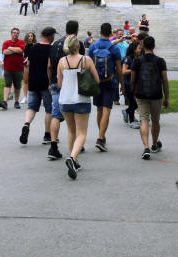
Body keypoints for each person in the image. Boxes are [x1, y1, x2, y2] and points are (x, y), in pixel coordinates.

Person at [57, 34, 100, 179]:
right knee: (82, 133)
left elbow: (59, 84)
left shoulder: (61, 61)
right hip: (81, 99)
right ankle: (72, 157)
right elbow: (97, 79)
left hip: (65, 99)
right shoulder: (86, 60)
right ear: (78, 46)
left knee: (71, 131)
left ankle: (74, 160)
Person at [47, 21, 85, 161]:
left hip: (57, 82)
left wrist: (50, 81)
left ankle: (53, 146)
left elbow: (50, 65)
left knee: (56, 115)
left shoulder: (56, 44)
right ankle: (77, 145)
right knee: (76, 116)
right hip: (74, 85)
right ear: (76, 31)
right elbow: (82, 65)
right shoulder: (78, 44)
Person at [130, 36, 168, 160]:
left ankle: (146, 147)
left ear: (143, 46)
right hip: (156, 94)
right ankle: (154, 144)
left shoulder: (137, 61)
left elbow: (133, 79)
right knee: (156, 120)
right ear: (154, 46)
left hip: (141, 94)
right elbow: (165, 80)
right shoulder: (160, 61)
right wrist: (166, 97)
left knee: (144, 120)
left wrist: (133, 91)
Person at [87, 22, 123, 152]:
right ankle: (100, 137)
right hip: (110, 82)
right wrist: (122, 85)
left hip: (97, 82)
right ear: (110, 34)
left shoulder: (93, 46)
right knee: (107, 110)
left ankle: (101, 136)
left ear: (100, 32)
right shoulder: (114, 48)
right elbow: (119, 69)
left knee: (99, 110)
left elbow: (88, 65)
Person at [20, 27, 56, 146]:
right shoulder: (51, 49)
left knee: (31, 107)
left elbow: (28, 63)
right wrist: (50, 82)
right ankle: (47, 135)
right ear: (50, 36)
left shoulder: (33, 47)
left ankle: (26, 124)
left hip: (33, 81)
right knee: (49, 109)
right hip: (45, 83)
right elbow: (49, 66)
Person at [120, 33, 145, 128]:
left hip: (136, 84)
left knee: (135, 102)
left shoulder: (138, 58)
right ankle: (131, 120)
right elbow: (123, 71)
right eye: (138, 48)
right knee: (134, 103)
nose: (140, 50)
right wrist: (134, 69)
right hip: (128, 84)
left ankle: (127, 112)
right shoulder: (128, 58)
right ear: (134, 50)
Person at [0, 27, 26, 110]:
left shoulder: (21, 42)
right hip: (8, 68)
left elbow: (20, 50)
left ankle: (16, 101)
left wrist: (10, 48)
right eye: (14, 32)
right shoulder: (6, 42)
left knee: (17, 85)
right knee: (7, 84)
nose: (16, 34)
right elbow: (4, 52)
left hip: (18, 68)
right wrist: (15, 50)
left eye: (17, 33)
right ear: (11, 33)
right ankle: (5, 101)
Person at [21, 31, 36, 104]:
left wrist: (29, 58)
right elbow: (22, 55)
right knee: (25, 81)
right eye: (29, 36)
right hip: (26, 65)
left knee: (33, 81)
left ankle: (34, 97)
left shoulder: (35, 45)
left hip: (34, 65)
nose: (30, 37)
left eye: (31, 36)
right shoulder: (24, 45)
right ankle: (25, 97)